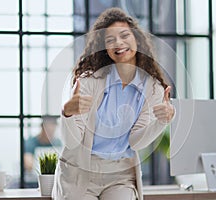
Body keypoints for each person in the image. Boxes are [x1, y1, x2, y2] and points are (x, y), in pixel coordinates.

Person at [53, 7, 175, 200]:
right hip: (82, 173)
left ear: (137, 39)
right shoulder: (88, 82)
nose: (118, 43)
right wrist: (67, 113)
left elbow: (136, 141)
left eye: (125, 35)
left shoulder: (152, 89)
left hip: (120, 175)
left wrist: (161, 121)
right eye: (110, 40)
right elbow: (72, 142)